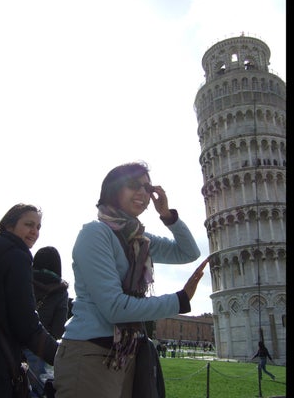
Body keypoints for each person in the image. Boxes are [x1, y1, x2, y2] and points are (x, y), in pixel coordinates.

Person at [53, 161, 208, 398]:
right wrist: (180, 300)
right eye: (133, 185)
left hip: (125, 353)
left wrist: (167, 215)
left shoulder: (140, 239)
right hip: (90, 353)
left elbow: (188, 252)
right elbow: (114, 308)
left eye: (147, 188)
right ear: (113, 190)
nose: (143, 193)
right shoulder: (95, 234)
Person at [0, 203, 59, 398]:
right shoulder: (17, 257)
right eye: (29, 224)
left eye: (38, 227)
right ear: (9, 225)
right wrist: (62, 356)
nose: (34, 232)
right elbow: (26, 324)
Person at [23, 246, 69, 394]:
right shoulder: (60, 292)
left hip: (13, 343)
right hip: (40, 349)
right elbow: (58, 331)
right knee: (34, 390)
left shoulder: (22, 278)